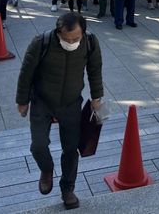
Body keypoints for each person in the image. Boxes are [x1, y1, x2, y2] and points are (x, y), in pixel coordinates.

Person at [15, 13, 103, 209]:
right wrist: (22, 101)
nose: (70, 42)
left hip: (71, 103)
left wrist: (97, 97)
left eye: (75, 39)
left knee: (71, 149)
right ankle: (47, 170)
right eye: (66, 38)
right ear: (58, 32)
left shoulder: (90, 43)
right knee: (38, 146)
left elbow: (95, 69)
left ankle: (68, 189)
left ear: (83, 33)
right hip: (42, 101)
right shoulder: (42, 42)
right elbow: (26, 72)